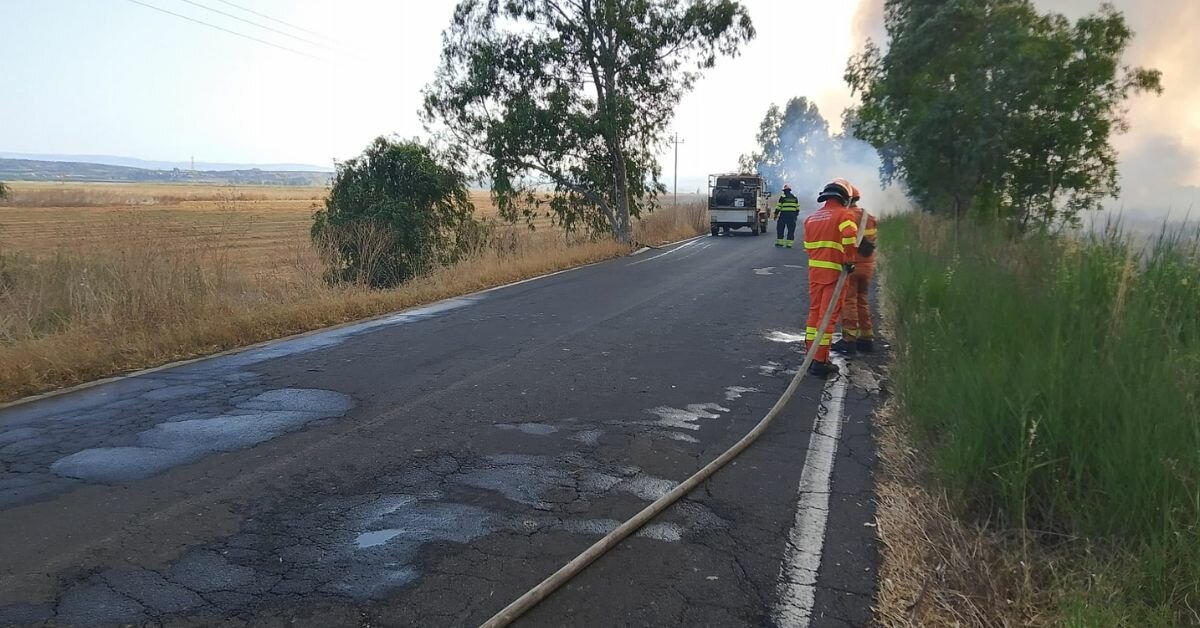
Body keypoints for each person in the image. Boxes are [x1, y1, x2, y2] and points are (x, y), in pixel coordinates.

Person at [802, 179, 873, 378]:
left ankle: (810, 354)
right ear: (844, 197)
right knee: (827, 318)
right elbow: (850, 237)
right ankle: (820, 361)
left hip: (815, 273)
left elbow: (808, 247)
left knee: (814, 315)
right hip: (835, 275)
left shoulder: (811, 218)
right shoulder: (844, 214)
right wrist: (849, 260)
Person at [832, 185, 879, 354]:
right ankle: (866, 339)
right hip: (867, 265)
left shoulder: (847, 216)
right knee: (862, 300)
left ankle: (849, 340)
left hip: (852, 265)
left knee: (849, 301)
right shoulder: (870, 216)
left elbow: (843, 241)